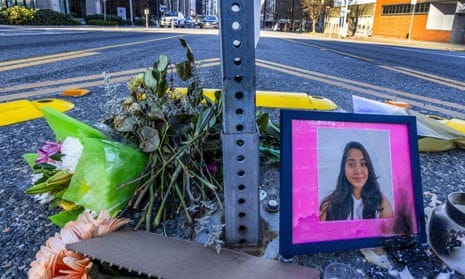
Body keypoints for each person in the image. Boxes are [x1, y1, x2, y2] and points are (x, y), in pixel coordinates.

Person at [319, 141, 393, 221]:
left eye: (363, 164)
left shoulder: (382, 204)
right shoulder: (329, 205)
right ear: (343, 168)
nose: (358, 171)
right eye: (351, 164)